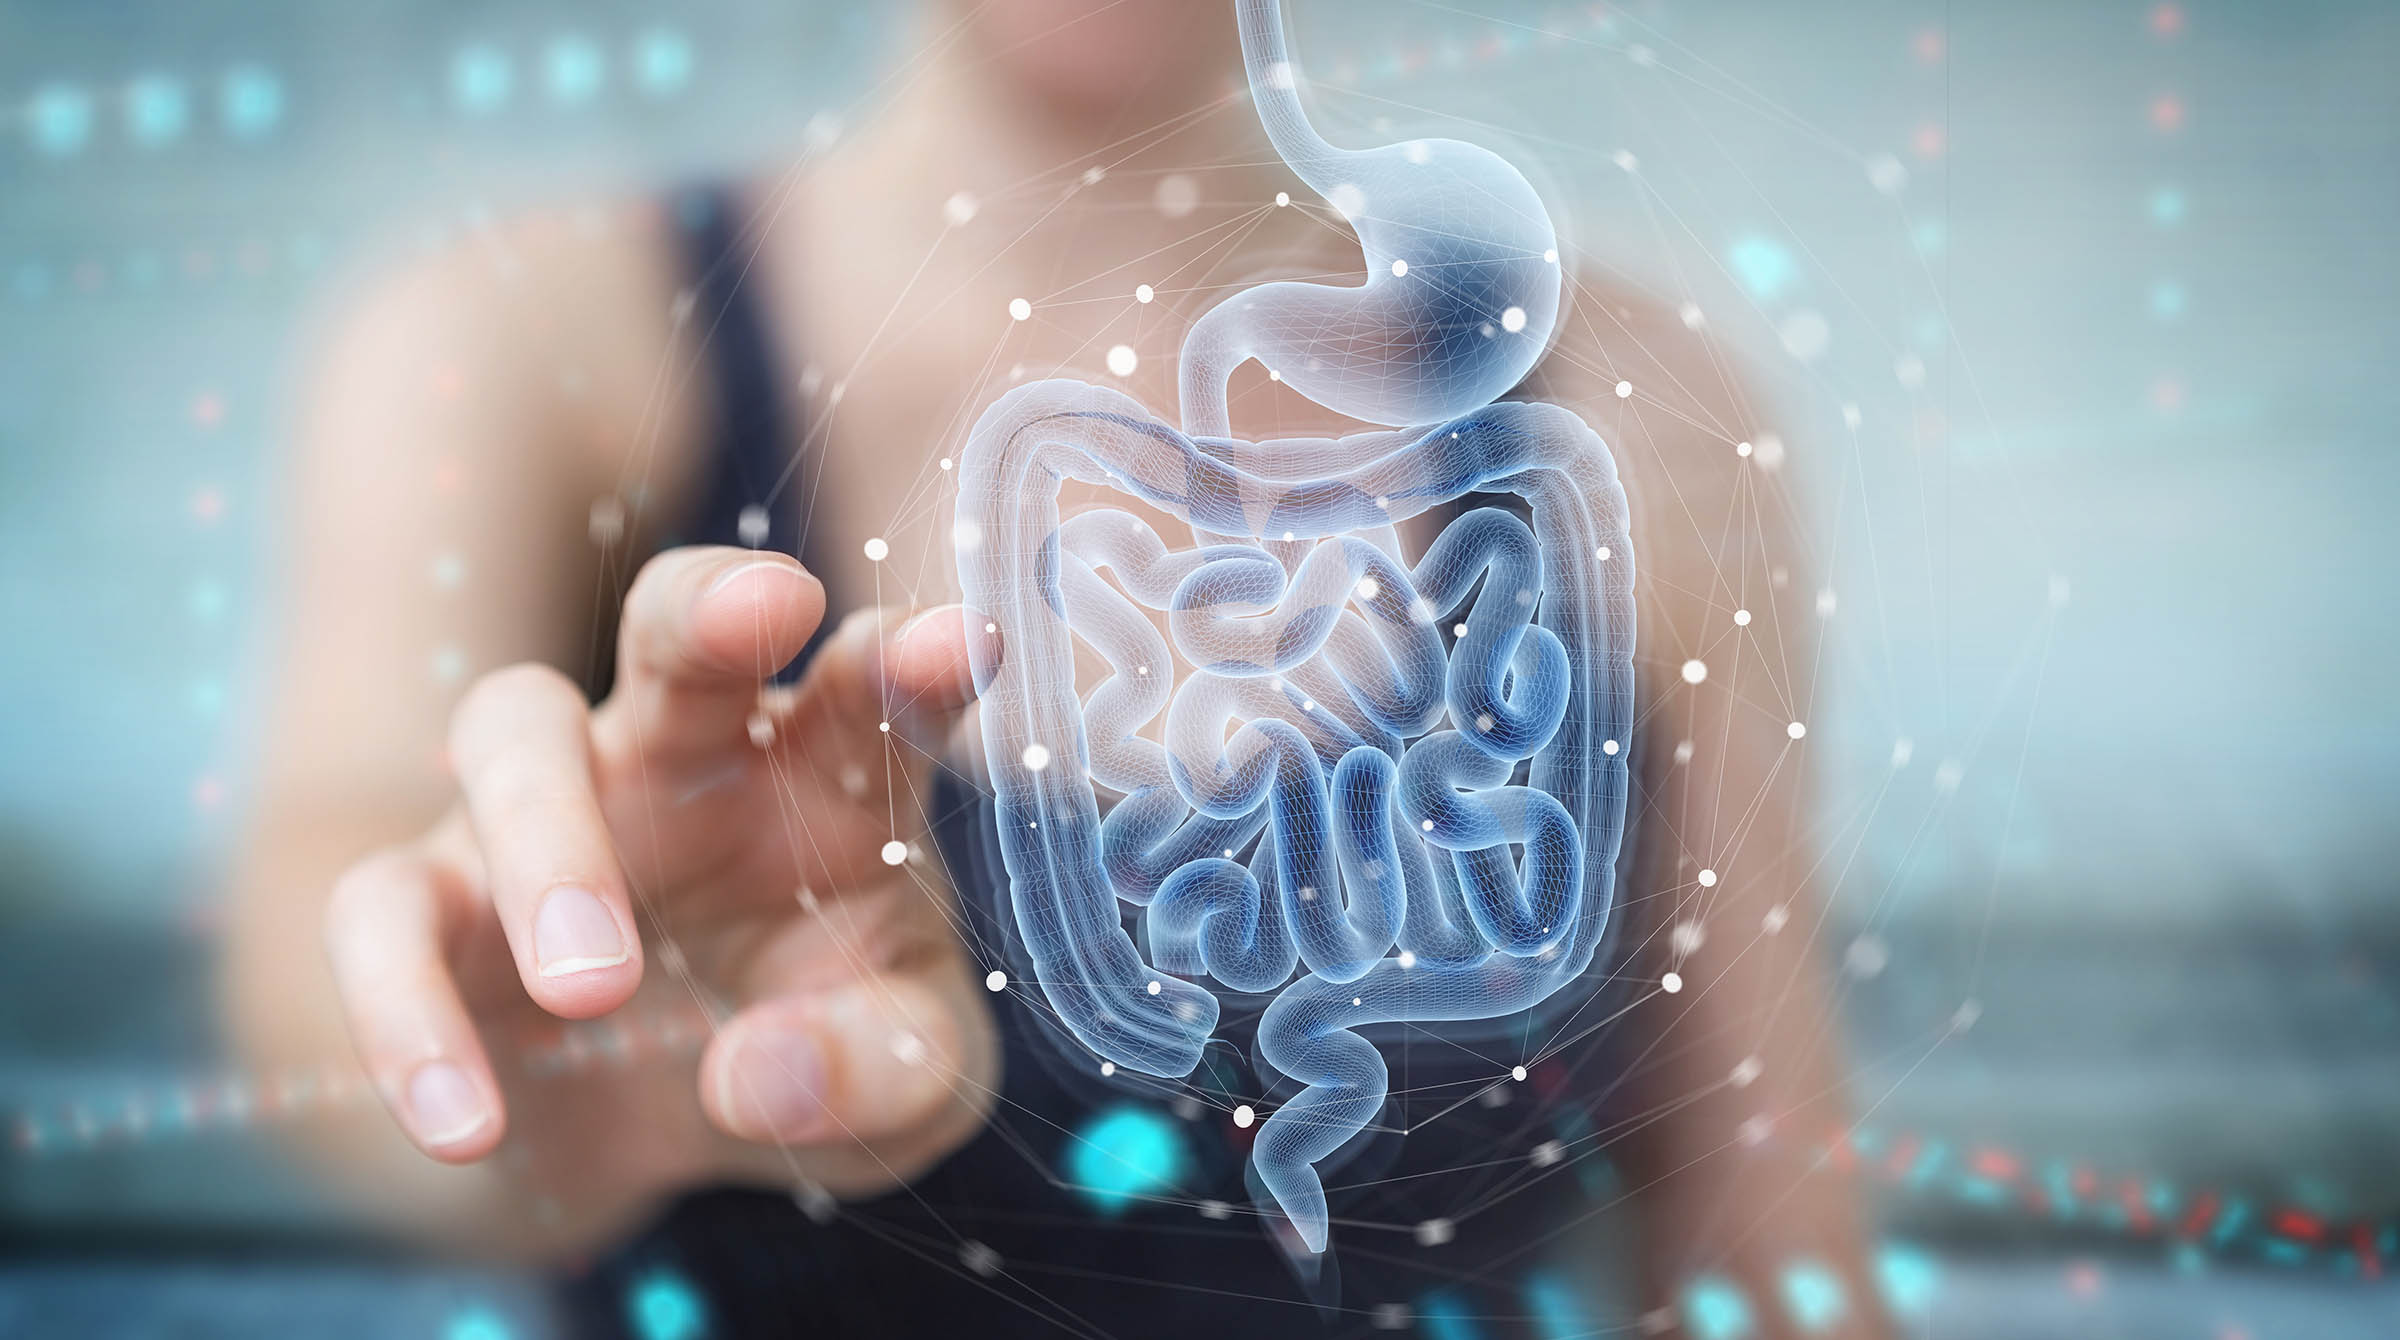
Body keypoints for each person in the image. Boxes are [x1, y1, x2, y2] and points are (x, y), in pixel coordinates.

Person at [228, 1, 1884, 1333]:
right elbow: (337, 898)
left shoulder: (1649, 427)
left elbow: (1761, 1244)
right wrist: (525, 1057)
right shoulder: (522, 354)